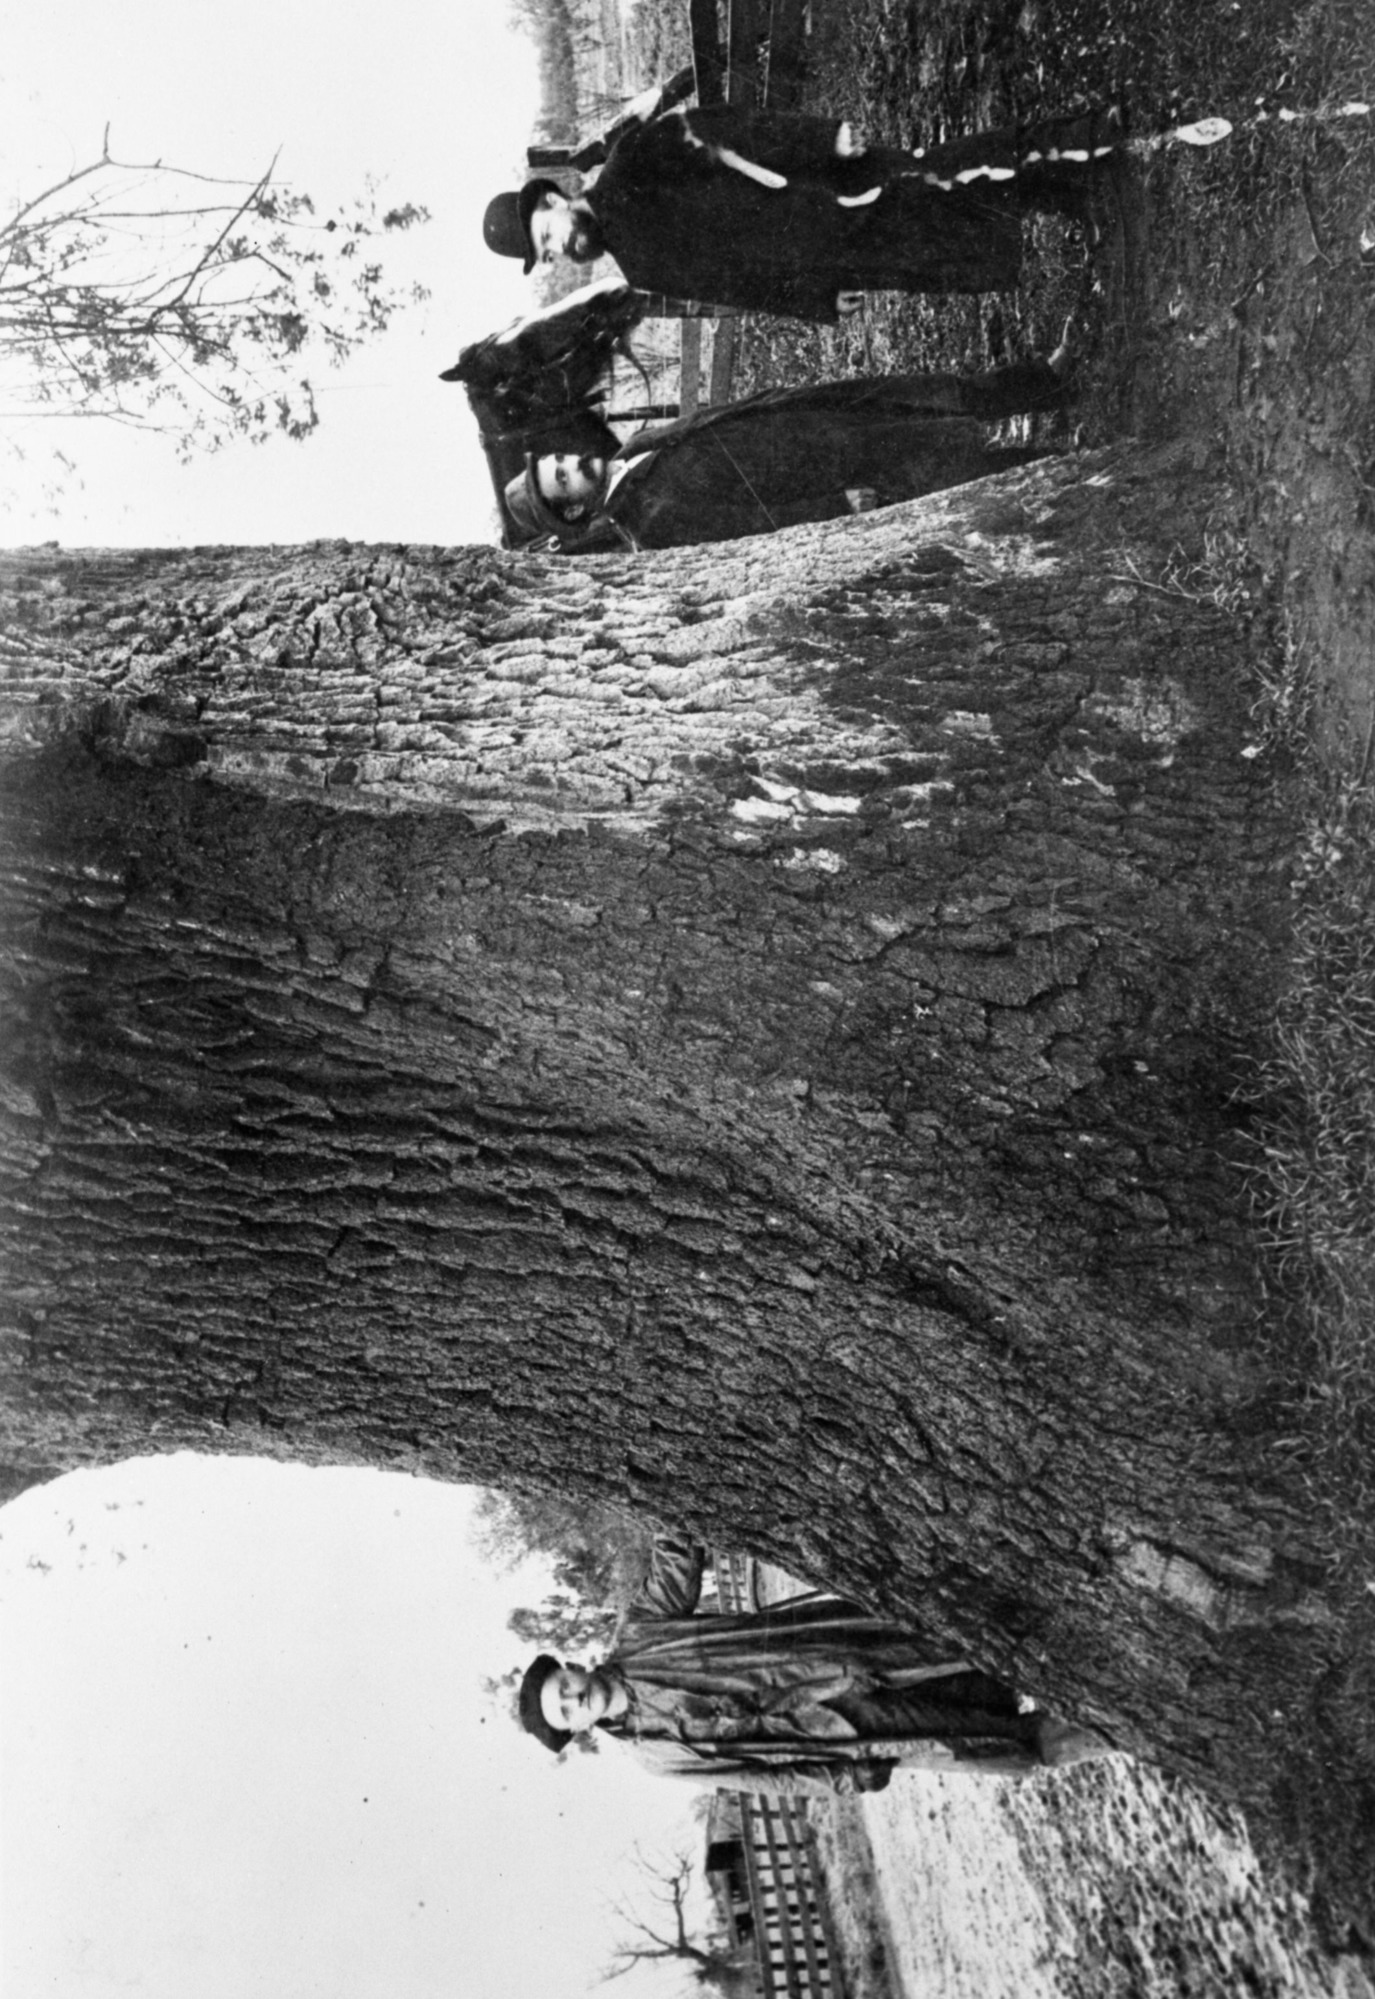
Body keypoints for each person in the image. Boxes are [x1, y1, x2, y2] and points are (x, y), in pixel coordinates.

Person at [516, 1533, 1113, 1796]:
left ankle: (1110, 1649)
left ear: (572, 1666)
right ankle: (1124, 1724)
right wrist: (842, 1780)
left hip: (848, 1653)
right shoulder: (658, 1757)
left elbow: (676, 1554)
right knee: (997, 1741)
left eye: (563, 1686)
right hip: (849, 1732)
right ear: (577, 1729)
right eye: (565, 1712)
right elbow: (763, 1779)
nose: (573, 1699)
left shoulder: (642, 1631)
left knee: (984, 1643)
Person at [483, 102, 1126, 321]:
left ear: (554, 199)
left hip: (823, 190)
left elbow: (728, 130)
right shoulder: (640, 269)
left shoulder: (631, 163)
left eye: (547, 234)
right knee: (946, 242)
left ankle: (1086, 138)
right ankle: (1072, 197)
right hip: (835, 256)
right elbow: (739, 288)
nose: (559, 249)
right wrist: (816, 301)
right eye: (547, 254)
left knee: (942, 177)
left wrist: (819, 139)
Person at [501, 356, 1072, 552]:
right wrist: (838, 507)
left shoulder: (634, 448)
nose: (574, 464)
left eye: (560, 461)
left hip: (808, 421)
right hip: (829, 476)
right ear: (574, 510)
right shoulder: (649, 524)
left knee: (922, 401)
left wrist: (781, 402)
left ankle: (1047, 380)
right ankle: (1067, 464)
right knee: (952, 472)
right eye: (563, 481)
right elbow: (753, 526)